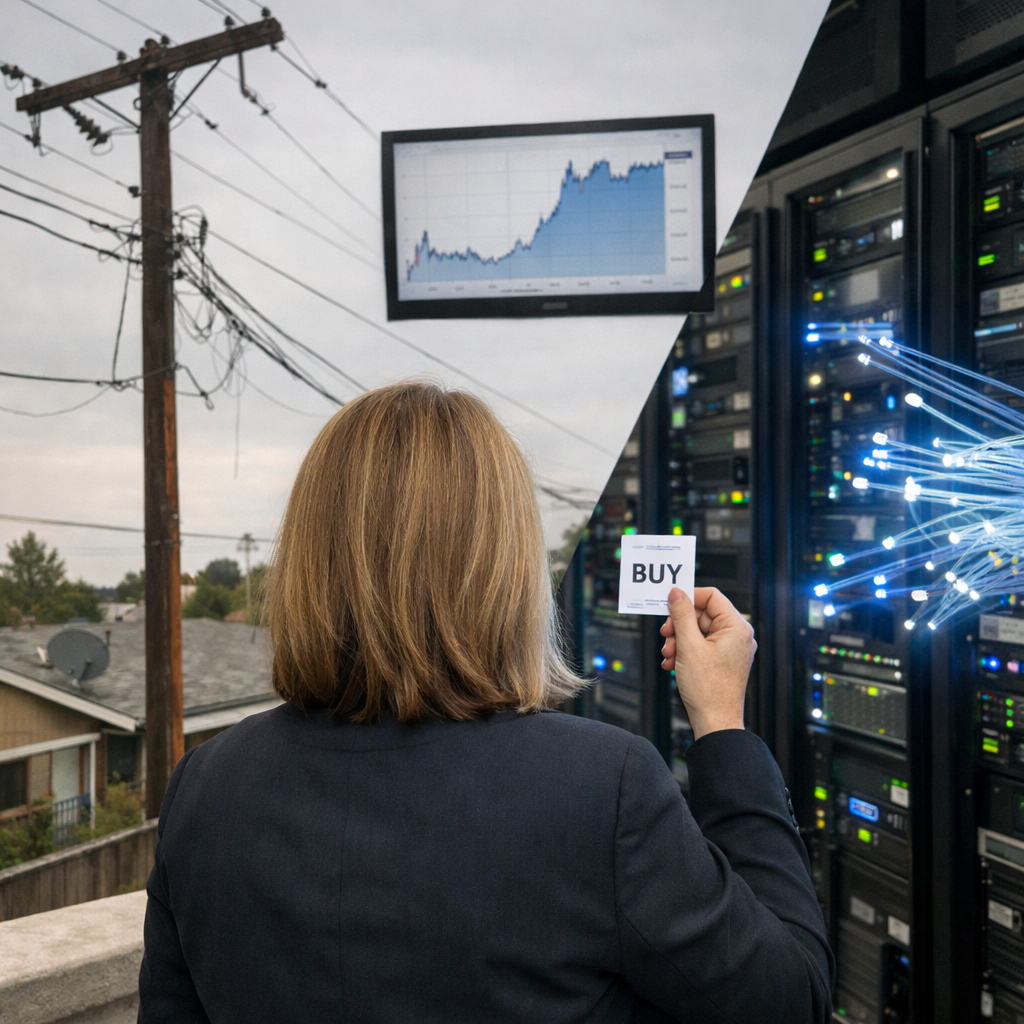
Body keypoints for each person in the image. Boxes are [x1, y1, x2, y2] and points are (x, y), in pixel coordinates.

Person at [138, 381, 834, 1023]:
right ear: (504, 564)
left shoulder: (206, 786)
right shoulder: (599, 787)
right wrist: (722, 725)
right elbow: (791, 1001)